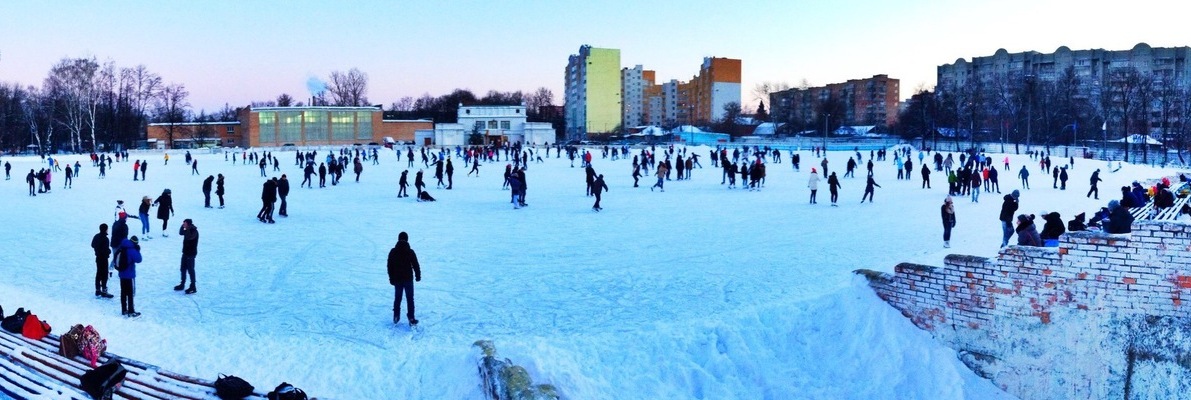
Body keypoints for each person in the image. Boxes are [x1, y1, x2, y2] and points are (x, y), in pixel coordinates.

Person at [386, 231, 421, 326]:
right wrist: (418, 276)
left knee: (398, 298)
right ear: (407, 239)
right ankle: (411, 317)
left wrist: (391, 278)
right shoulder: (410, 251)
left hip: (397, 279)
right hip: (408, 279)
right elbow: (415, 265)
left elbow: (389, 266)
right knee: (410, 299)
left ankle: (396, 316)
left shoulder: (393, 252)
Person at [115, 235, 143, 317]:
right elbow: (139, 259)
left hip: (121, 274)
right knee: (130, 293)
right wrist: (138, 250)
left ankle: (124, 310)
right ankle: (131, 311)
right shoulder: (132, 250)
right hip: (129, 275)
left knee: (123, 292)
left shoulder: (122, 247)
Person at [175, 219, 199, 294]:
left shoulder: (194, 231)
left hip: (191, 253)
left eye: (184, 223)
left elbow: (189, 237)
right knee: (183, 268)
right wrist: (182, 227)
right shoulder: (187, 229)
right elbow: (181, 233)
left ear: (188, 224)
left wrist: (187, 229)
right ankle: (182, 284)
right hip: (185, 252)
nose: (183, 224)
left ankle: (193, 286)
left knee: (190, 270)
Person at [91, 223, 114, 298]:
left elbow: (92, 245)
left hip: (98, 258)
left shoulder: (96, 236)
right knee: (104, 274)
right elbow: (105, 250)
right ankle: (104, 290)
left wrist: (97, 250)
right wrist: (109, 251)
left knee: (98, 273)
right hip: (104, 259)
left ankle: (97, 290)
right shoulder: (105, 239)